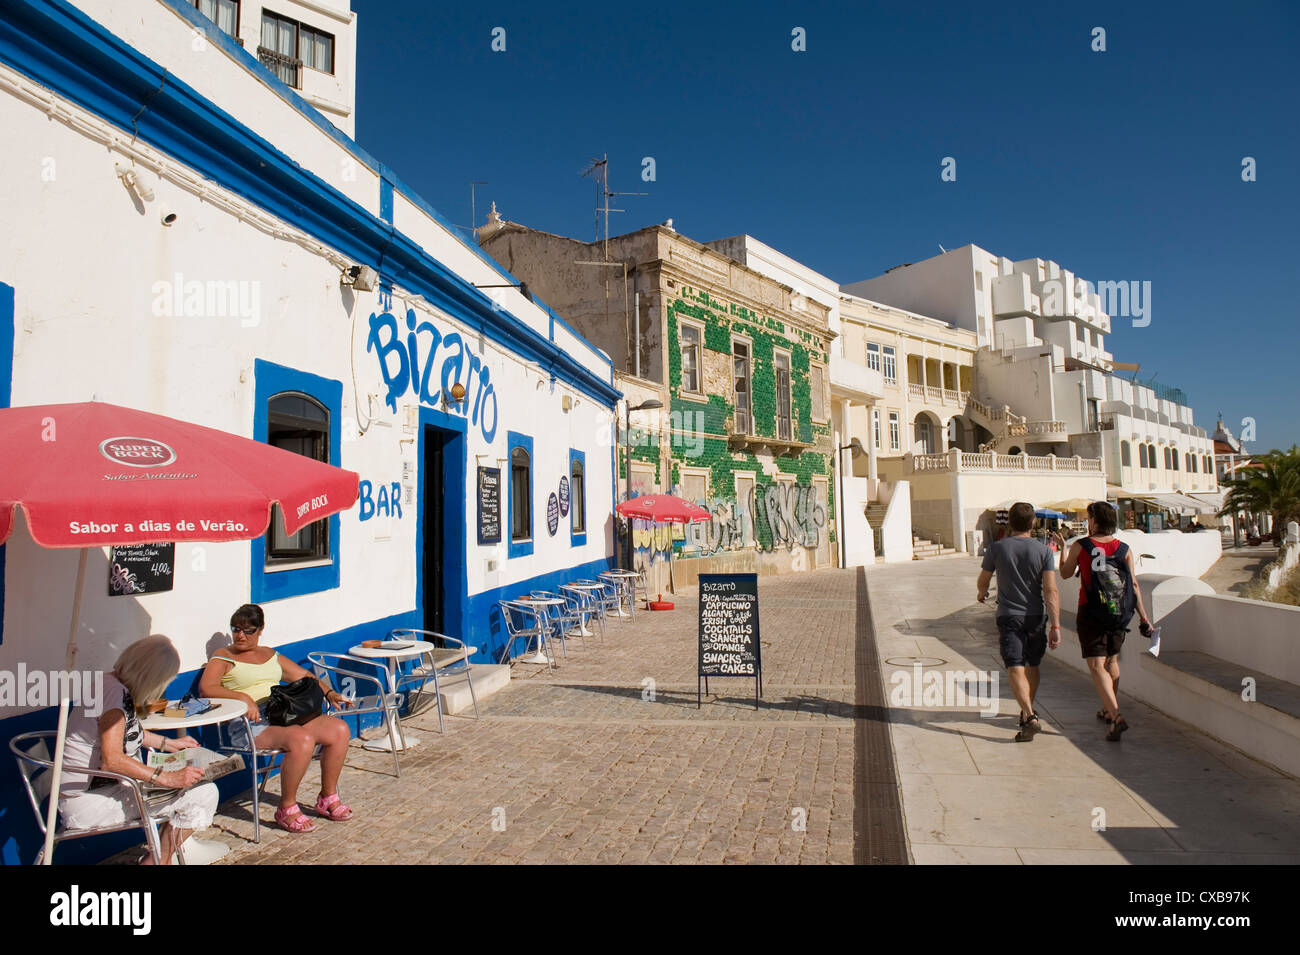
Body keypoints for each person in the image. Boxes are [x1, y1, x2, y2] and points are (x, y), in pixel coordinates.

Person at [59, 635, 219, 864]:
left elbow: (129, 733)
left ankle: (157, 858)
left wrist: (168, 744)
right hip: (90, 803)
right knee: (203, 794)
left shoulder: (109, 683)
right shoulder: (115, 698)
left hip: (88, 792)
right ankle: (157, 861)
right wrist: (166, 778)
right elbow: (112, 760)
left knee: (193, 788)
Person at [199, 604, 356, 833]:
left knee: (339, 730)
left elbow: (305, 676)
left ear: (260, 630)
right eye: (235, 629)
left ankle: (327, 796)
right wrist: (242, 697)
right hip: (249, 722)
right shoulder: (223, 656)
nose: (240, 635)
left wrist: (329, 692)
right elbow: (207, 688)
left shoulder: (270, 654)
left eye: (248, 630)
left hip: (281, 713)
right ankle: (286, 807)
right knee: (300, 739)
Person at [1052, 501, 1151, 742]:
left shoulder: (1081, 546)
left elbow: (1065, 573)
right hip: (1118, 613)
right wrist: (1144, 618)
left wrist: (1063, 549)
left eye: (1089, 518)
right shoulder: (1124, 548)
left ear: (1095, 521)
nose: (1087, 522)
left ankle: (1116, 715)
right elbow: (1134, 585)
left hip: (1091, 612)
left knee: (1097, 665)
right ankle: (1108, 709)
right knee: (1112, 660)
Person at [977, 502, 1061, 742]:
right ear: (1033, 522)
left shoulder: (997, 549)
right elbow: (1051, 590)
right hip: (1036, 617)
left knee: (1015, 666)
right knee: (1033, 666)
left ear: (1010, 523)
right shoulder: (1044, 551)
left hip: (1009, 616)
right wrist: (1055, 626)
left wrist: (982, 593)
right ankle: (1027, 712)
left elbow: (983, 581)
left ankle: (1030, 715)